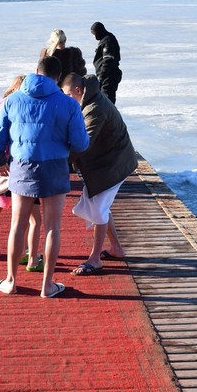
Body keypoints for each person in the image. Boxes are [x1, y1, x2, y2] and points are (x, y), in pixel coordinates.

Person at [0, 57, 89, 297]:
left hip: (22, 166)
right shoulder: (69, 104)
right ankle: (48, 285)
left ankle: (11, 281)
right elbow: (80, 143)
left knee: (17, 225)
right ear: (58, 76)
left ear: (35, 71)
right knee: (53, 227)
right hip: (54, 166)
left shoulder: (12, 101)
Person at [60, 73, 137, 275]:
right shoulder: (89, 98)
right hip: (108, 161)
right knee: (101, 206)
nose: (66, 99)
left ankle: (95, 259)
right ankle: (117, 249)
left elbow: (82, 144)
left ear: (78, 90)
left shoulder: (94, 109)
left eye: (67, 95)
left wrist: (56, 161)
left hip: (113, 164)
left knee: (98, 210)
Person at [0, 76, 42, 268]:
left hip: (22, 167)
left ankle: (25, 248)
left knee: (25, 212)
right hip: (2, 167)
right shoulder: (6, 108)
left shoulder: (30, 108)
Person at [90, 21, 122, 104]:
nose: (93, 37)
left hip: (108, 77)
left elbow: (108, 61)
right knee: (104, 100)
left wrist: (101, 76)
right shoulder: (106, 39)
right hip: (106, 76)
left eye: (93, 34)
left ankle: (108, 117)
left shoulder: (108, 42)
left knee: (107, 101)